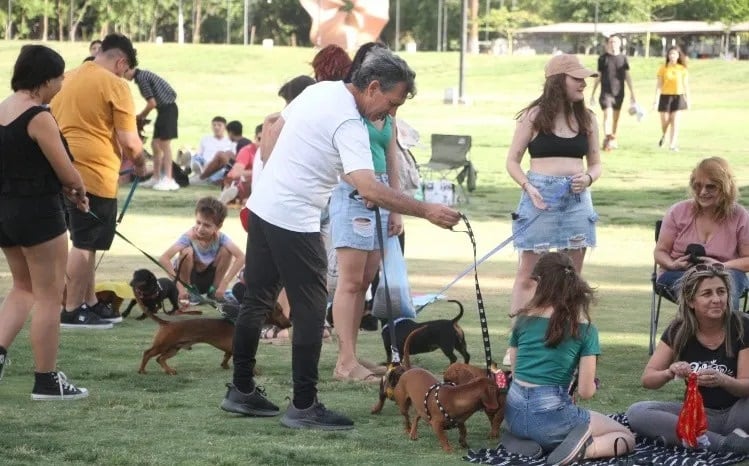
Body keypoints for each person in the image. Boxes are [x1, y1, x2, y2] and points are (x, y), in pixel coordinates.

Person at [221, 47, 461, 431]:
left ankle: (242, 389)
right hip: (294, 218)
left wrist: (278, 175)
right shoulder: (349, 124)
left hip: (265, 205)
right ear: (373, 86)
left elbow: (272, 127)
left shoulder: (321, 90)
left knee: (256, 299)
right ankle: (303, 405)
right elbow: (370, 188)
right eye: (391, 103)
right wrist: (427, 210)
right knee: (312, 310)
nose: (391, 113)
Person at [0, 45, 91, 399]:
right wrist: (79, 191)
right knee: (51, 296)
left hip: (5, 213)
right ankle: (46, 379)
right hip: (38, 214)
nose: (62, 82)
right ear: (44, 80)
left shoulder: (3, 110)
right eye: (59, 77)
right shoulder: (38, 115)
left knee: (22, 287)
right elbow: (66, 170)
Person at [504, 53, 602, 365]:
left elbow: (597, 165)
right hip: (539, 198)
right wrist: (529, 187)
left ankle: (566, 339)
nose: (583, 84)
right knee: (529, 275)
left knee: (571, 275)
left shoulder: (587, 119)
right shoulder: (534, 116)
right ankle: (516, 344)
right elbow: (512, 161)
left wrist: (587, 178)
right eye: (577, 79)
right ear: (558, 81)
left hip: (576, 201)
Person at [52, 33, 147, 329]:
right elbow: (130, 141)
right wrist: (143, 164)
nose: (124, 76)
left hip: (59, 169)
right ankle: (71, 308)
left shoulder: (66, 77)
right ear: (121, 62)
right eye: (126, 71)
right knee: (83, 243)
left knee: (86, 241)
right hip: (94, 173)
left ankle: (89, 301)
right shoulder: (115, 84)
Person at [505, 252, 635, 465]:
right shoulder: (584, 328)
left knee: (539, 419)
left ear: (539, 281)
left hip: (514, 415)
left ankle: (527, 440)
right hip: (551, 418)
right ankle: (582, 449)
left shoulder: (522, 319)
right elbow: (585, 391)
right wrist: (593, 384)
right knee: (626, 437)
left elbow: (517, 371)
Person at [326, 42, 402, 383]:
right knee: (351, 281)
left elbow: (391, 154)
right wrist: (361, 185)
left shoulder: (387, 109)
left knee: (366, 281)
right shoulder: (347, 107)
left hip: (382, 191)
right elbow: (336, 154)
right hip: (354, 190)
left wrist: (396, 205)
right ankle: (344, 362)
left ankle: (352, 355)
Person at [626, 265, 749, 454]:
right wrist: (670, 372)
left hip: (739, 413)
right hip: (698, 415)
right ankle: (723, 444)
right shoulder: (679, 329)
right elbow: (648, 380)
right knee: (638, 411)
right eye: (707, 294)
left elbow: (746, 386)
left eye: (721, 292)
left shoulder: (743, 325)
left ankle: (703, 438)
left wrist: (723, 380)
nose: (716, 299)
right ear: (691, 301)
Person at [654, 157, 749, 311]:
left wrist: (721, 266)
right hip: (680, 273)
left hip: (726, 274)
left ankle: (730, 333)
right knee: (697, 289)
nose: (703, 192)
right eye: (697, 186)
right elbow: (660, 252)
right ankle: (695, 333)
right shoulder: (678, 212)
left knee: (725, 287)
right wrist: (672, 264)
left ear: (726, 187)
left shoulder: (740, 216)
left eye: (711, 187)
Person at [159, 197, 245, 302]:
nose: (200, 229)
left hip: (208, 280)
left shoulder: (221, 238)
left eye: (207, 225)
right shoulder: (189, 236)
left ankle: (214, 291)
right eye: (198, 222)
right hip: (189, 280)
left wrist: (224, 283)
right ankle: (188, 291)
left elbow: (241, 257)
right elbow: (164, 258)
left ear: (218, 226)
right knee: (187, 252)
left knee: (226, 251)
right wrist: (180, 287)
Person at [123, 67, 180, 191]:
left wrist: (141, 116)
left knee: (164, 144)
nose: (123, 76)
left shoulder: (142, 78)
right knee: (155, 144)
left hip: (168, 110)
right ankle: (156, 176)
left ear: (129, 69)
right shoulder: (143, 75)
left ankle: (169, 179)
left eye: (124, 73)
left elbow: (152, 103)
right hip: (164, 110)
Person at [589, 35, 637, 151]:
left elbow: (627, 76)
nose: (613, 44)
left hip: (619, 92)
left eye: (615, 42)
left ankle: (613, 139)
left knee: (616, 119)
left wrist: (632, 93)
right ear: (608, 44)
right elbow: (598, 76)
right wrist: (593, 93)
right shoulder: (603, 58)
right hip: (606, 93)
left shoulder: (623, 58)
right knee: (608, 115)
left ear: (620, 44)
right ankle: (607, 138)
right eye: (611, 42)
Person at [654, 46, 689, 151]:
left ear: (678, 55)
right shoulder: (663, 68)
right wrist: (656, 99)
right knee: (665, 120)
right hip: (665, 96)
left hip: (678, 96)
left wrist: (688, 98)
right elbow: (659, 85)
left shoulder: (682, 69)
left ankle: (672, 144)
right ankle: (664, 135)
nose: (672, 56)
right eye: (670, 54)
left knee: (675, 120)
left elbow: (686, 85)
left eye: (674, 54)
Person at [221, 123, 261, 205]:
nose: (262, 142)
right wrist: (258, 171)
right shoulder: (247, 151)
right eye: (259, 139)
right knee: (249, 177)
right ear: (255, 138)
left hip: (255, 185)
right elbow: (236, 173)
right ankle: (236, 193)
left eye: (266, 139)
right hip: (235, 181)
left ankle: (244, 198)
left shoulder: (274, 152)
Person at [189, 116, 234, 185]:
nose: (216, 127)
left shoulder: (230, 141)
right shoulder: (205, 139)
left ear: (225, 127)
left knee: (216, 176)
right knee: (195, 157)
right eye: (214, 125)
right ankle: (200, 170)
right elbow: (199, 154)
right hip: (204, 163)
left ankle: (202, 175)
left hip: (217, 168)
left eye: (219, 125)